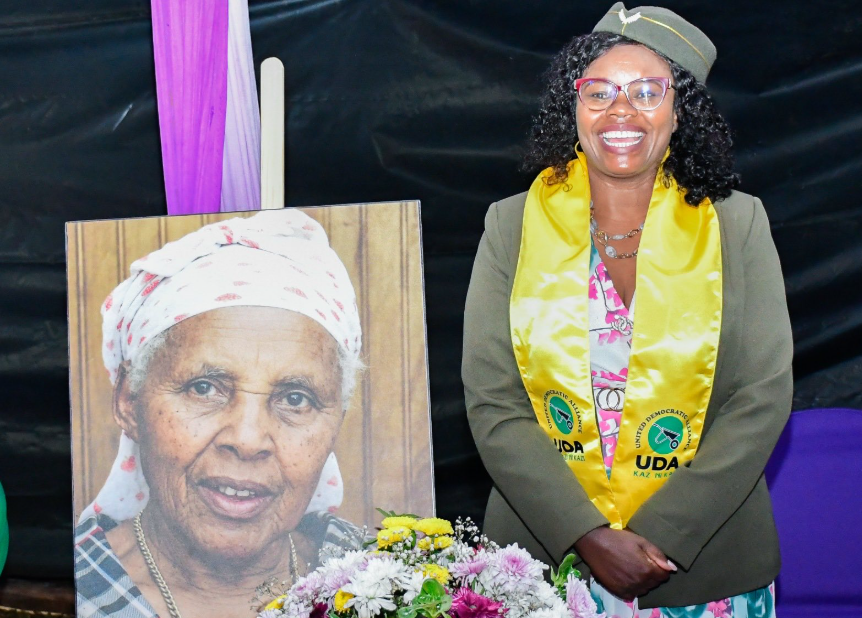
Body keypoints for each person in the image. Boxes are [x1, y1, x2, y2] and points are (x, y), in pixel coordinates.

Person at [463, 3, 791, 616]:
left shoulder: (738, 223)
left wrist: (664, 532)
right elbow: (492, 400)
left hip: (706, 564)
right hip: (545, 564)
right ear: (574, 107)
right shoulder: (510, 225)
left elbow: (762, 395)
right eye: (599, 91)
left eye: (646, 91)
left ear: (679, 111)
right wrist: (585, 535)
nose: (621, 110)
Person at [75, 210, 365, 618]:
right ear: (129, 400)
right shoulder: (66, 590)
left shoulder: (396, 576)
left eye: (295, 399)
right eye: (204, 388)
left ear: (337, 421)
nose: (247, 440)